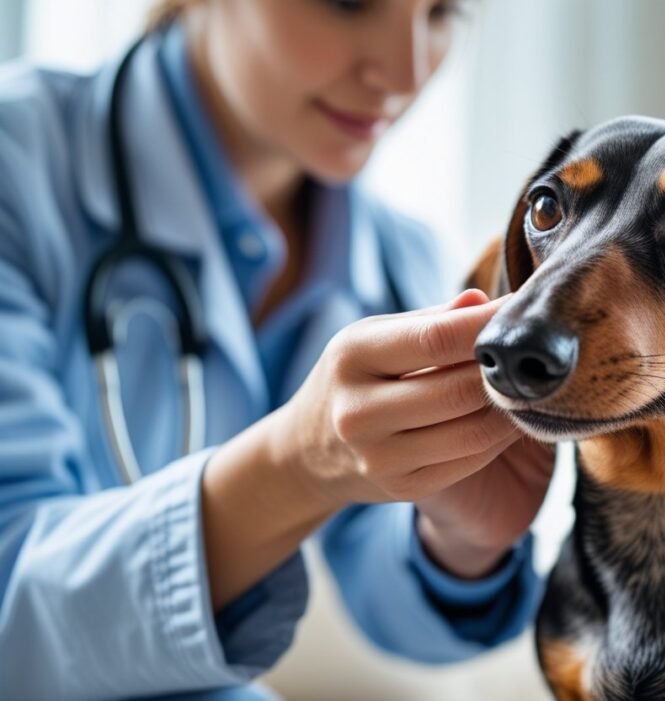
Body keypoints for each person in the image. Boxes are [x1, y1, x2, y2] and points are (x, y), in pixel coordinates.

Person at [0, 0, 556, 698]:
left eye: (442, 12)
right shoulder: (18, 166)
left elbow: (386, 600)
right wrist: (300, 464)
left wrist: (461, 540)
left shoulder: (396, 258)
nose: (405, 72)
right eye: (349, 3)